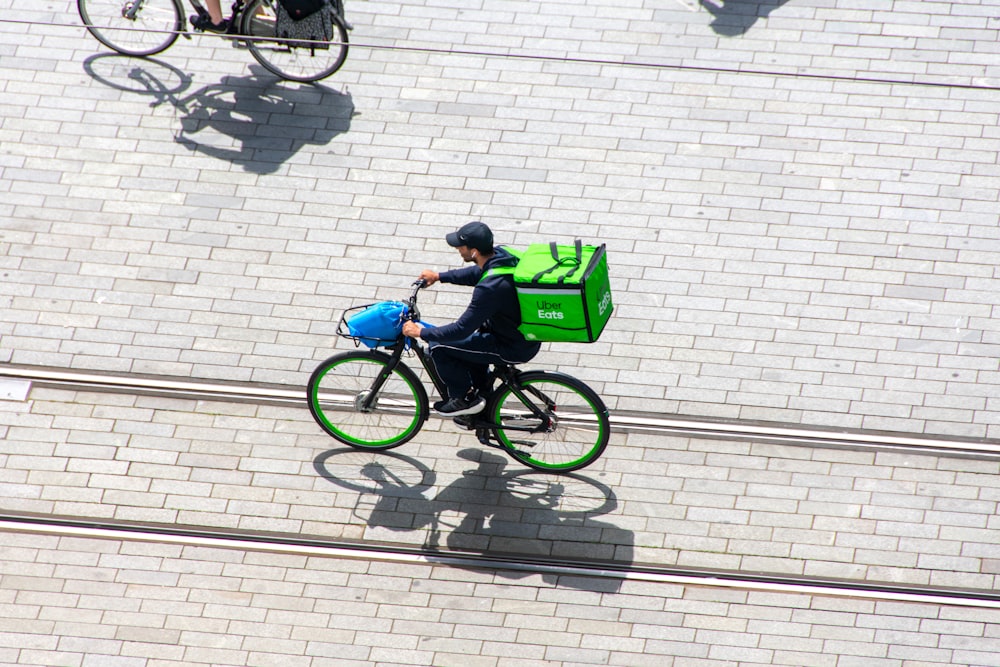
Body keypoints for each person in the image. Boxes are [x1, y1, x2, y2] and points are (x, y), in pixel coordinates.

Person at [401, 221, 541, 417]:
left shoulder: (489, 289)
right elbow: (477, 272)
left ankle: (461, 400)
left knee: (438, 345)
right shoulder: (501, 255)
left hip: (510, 347)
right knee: (466, 347)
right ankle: (482, 398)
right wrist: (439, 276)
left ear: (474, 251)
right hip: (521, 336)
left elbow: (461, 329)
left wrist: (421, 332)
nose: (458, 249)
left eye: (461, 246)